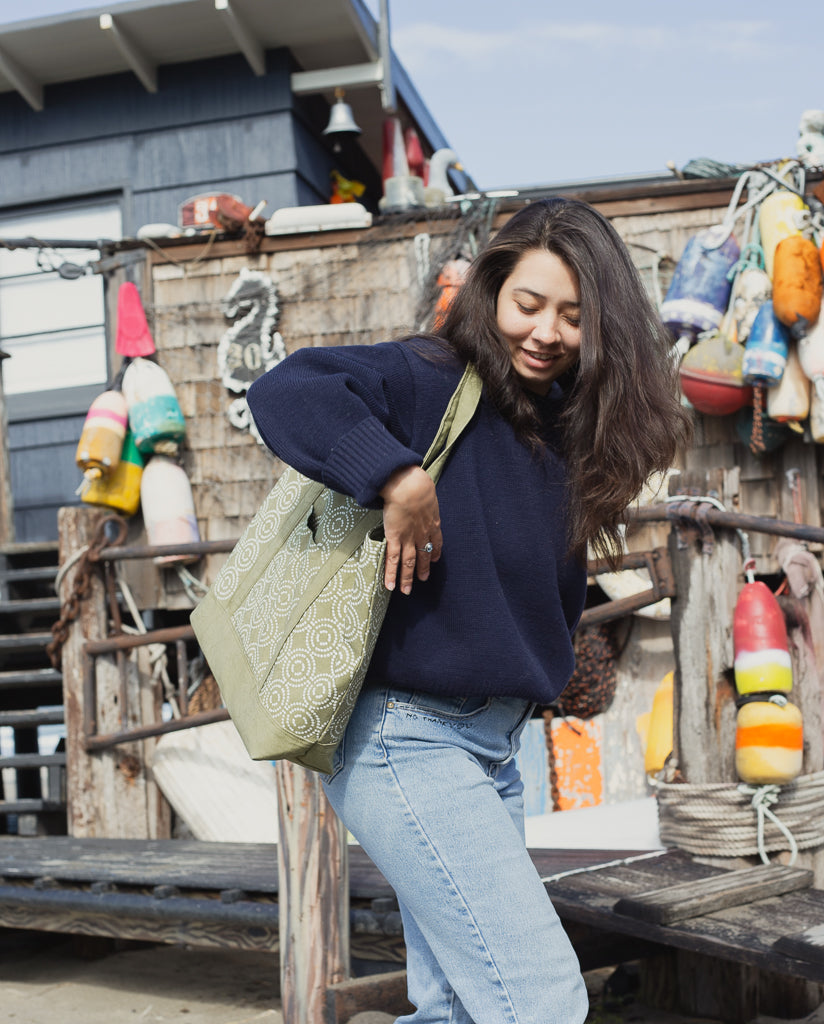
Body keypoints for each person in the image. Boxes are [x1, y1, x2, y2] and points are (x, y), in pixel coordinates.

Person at [246, 197, 690, 1024]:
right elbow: (287, 388)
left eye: (573, 317)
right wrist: (394, 474)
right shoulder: (432, 378)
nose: (546, 333)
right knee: (541, 1001)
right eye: (529, 304)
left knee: (458, 1008)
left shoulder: (571, 426)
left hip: (497, 746)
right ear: (491, 291)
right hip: (403, 738)